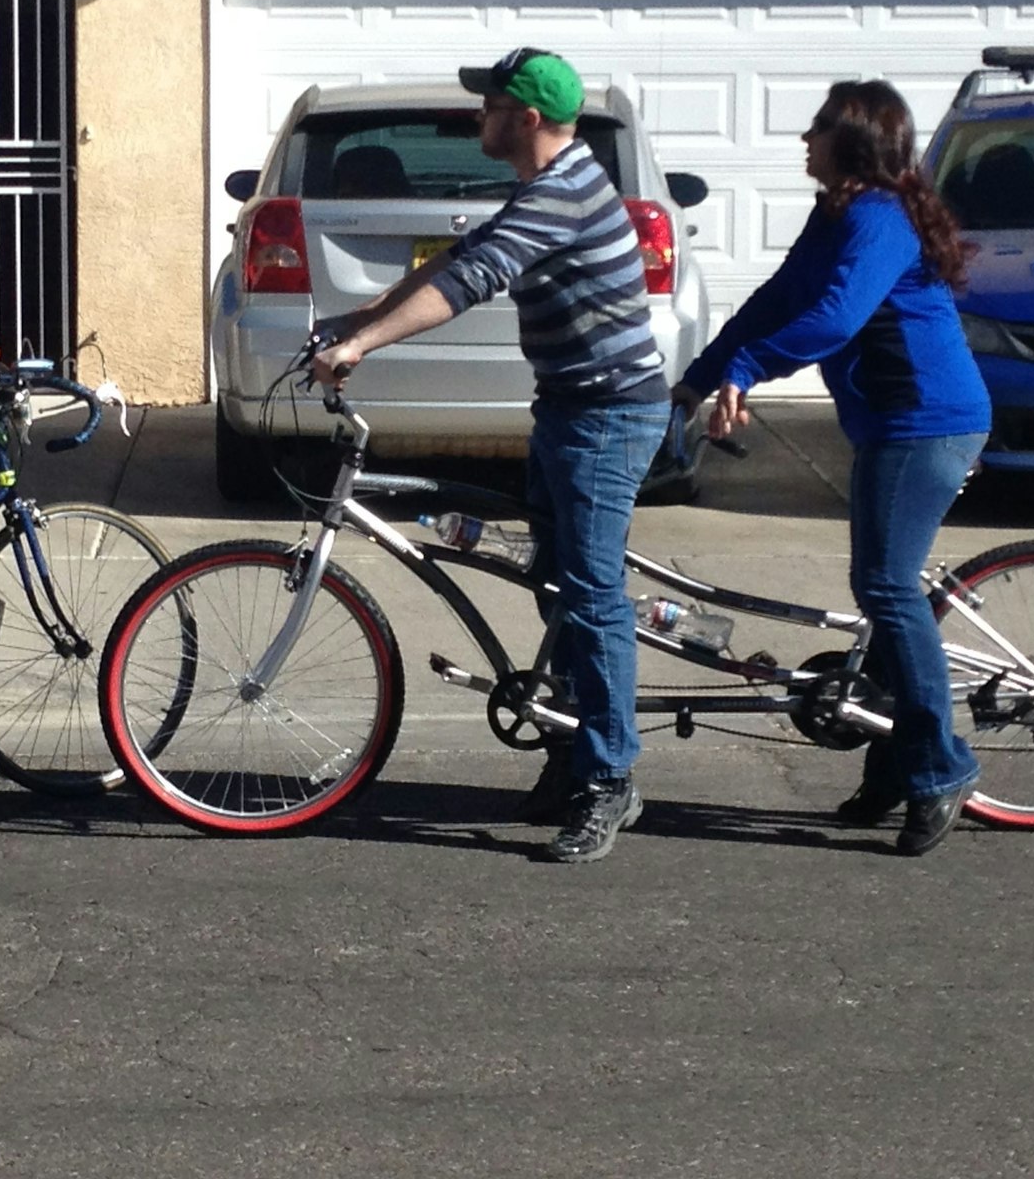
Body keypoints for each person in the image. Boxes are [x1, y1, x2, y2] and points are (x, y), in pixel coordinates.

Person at [312, 47, 669, 863]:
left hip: (608, 416)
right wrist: (359, 316)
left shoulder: (565, 193)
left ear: (528, 119)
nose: (478, 117)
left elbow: (473, 281)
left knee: (590, 594)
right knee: (557, 587)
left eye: (490, 106)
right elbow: (456, 262)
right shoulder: (547, 187)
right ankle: (578, 749)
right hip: (571, 410)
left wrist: (364, 342)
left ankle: (611, 777)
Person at [672, 79, 992, 857]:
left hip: (929, 422)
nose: (802, 141)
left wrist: (747, 370)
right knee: (883, 586)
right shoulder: (838, 213)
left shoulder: (880, 219)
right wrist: (705, 373)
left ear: (851, 142)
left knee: (884, 584)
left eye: (816, 129)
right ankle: (893, 767)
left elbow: (836, 318)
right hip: (891, 422)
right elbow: (782, 299)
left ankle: (941, 767)